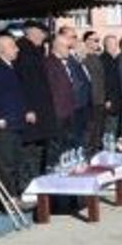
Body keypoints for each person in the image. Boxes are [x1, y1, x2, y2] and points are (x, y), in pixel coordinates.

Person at [0, 35, 29, 197]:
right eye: (13, 46)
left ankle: (16, 194)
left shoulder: (11, 67)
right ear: (1, 50)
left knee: (16, 161)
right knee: (6, 163)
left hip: (16, 121)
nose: (17, 49)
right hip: (5, 124)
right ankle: (9, 197)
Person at [14, 22, 53, 186]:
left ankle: (36, 184)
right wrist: (28, 108)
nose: (44, 38)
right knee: (29, 152)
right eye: (42, 34)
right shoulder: (23, 50)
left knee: (37, 150)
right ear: (32, 33)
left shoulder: (35, 50)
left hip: (40, 109)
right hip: (31, 111)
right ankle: (28, 186)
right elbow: (23, 82)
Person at [43, 33, 77, 162]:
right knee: (56, 151)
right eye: (67, 47)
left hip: (67, 112)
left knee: (65, 149)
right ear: (57, 47)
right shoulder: (49, 64)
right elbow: (52, 91)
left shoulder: (62, 63)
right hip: (58, 114)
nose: (69, 50)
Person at [79, 32, 108, 153]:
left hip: (100, 99)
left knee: (99, 130)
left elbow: (102, 79)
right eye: (95, 40)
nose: (98, 43)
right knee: (90, 131)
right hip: (90, 100)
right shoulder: (82, 57)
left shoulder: (97, 57)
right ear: (86, 41)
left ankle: (97, 152)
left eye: (98, 40)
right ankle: (90, 154)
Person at [101, 36, 122, 138]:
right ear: (107, 45)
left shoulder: (113, 59)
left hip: (117, 99)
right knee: (110, 128)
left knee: (116, 127)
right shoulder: (103, 60)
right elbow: (104, 81)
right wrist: (107, 99)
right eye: (114, 43)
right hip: (110, 100)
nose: (116, 46)